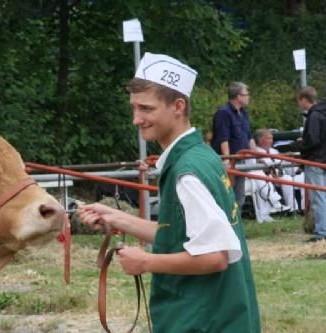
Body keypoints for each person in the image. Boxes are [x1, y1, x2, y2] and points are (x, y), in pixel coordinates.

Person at [77, 53, 261, 332]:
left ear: (178, 106)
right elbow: (181, 235)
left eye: (146, 109)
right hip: (215, 314)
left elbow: (216, 256)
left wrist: (145, 261)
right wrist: (115, 218)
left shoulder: (187, 172)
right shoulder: (201, 156)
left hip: (203, 320)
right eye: (134, 108)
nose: (136, 119)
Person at [211, 82, 257, 211]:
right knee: (225, 194)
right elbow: (223, 138)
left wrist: (258, 156)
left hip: (241, 160)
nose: (248, 97)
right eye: (246, 95)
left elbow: (249, 136)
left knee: (239, 195)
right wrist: (226, 159)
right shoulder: (224, 113)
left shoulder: (243, 113)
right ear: (238, 96)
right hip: (228, 161)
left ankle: (236, 226)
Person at [295, 86, 326, 242]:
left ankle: (321, 231)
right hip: (324, 159)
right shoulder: (323, 113)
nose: (299, 104)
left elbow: (313, 140)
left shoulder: (314, 116)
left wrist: (300, 145)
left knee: (318, 197)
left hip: (315, 160)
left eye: (299, 101)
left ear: (304, 99)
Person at [248, 129, 295, 223]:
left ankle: (292, 209)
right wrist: (272, 173)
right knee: (265, 179)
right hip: (265, 176)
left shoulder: (274, 151)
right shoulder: (256, 151)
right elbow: (257, 168)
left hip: (277, 176)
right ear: (260, 140)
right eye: (268, 138)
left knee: (288, 179)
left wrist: (278, 174)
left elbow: (281, 165)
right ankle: (276, 205)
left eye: (271, 138)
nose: (271, 141)